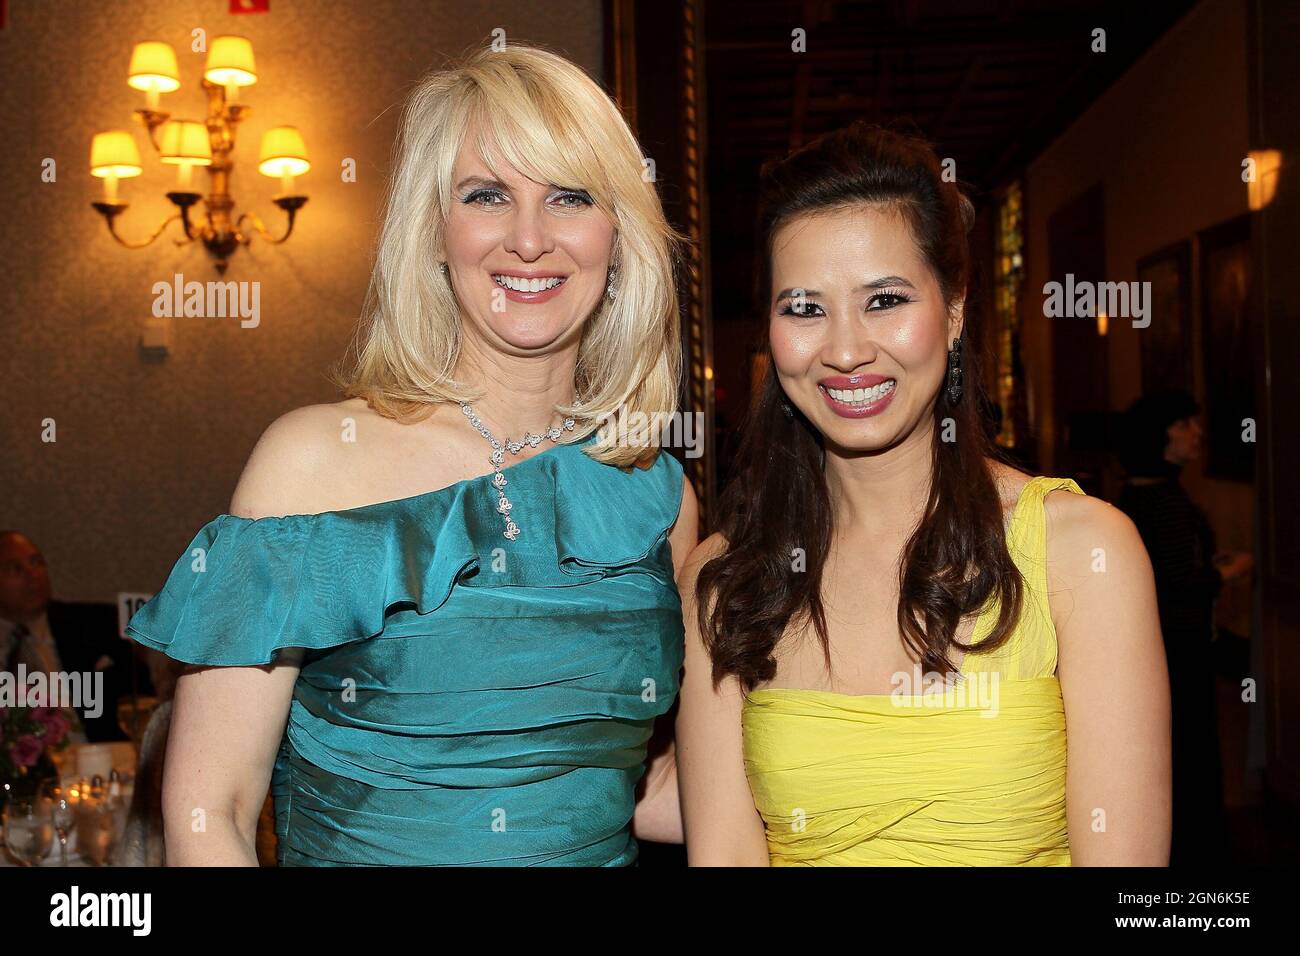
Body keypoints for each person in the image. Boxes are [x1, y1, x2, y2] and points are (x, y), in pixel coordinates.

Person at [125, 44, 697, 866]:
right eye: (486, 195)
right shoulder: (312, 465)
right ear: (433, 232)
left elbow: (644, 789)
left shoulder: (656, 498)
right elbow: (208, 814)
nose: (529, 238)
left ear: (618, 237)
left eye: (570, 196)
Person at [676, 122, 1170, 865]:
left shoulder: (1083, 550)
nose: (845, 349)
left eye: (885, 299)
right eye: (804, 308)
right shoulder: (726, 581)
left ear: (957, 307)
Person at [1116, 390, 1249, 864]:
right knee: (1191, 756)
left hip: (1161, 645)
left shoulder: (1140, 491)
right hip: (1179, 648)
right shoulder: (1164, 498)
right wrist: (1227, 573)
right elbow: (1180, 582)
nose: (1196, 434)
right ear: (1163, 434)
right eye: (1185, 425)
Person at [0, 530, 153, 743]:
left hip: (96, 759)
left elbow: (142, 699)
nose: (32, 574)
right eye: (15, 568)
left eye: (36, 562)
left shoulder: (98, 624)